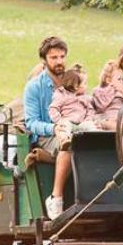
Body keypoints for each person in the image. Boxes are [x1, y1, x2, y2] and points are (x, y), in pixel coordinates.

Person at [24, 36, 77, 218]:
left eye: (62, 56)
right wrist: (53, 128)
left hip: (74, 127)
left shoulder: (72, 80)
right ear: (44, 60)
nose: (59, 61)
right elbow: (31, 123)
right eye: (54, 58)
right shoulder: (34, 87)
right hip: (47, 137)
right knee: (69, 144)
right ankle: (56, 197)